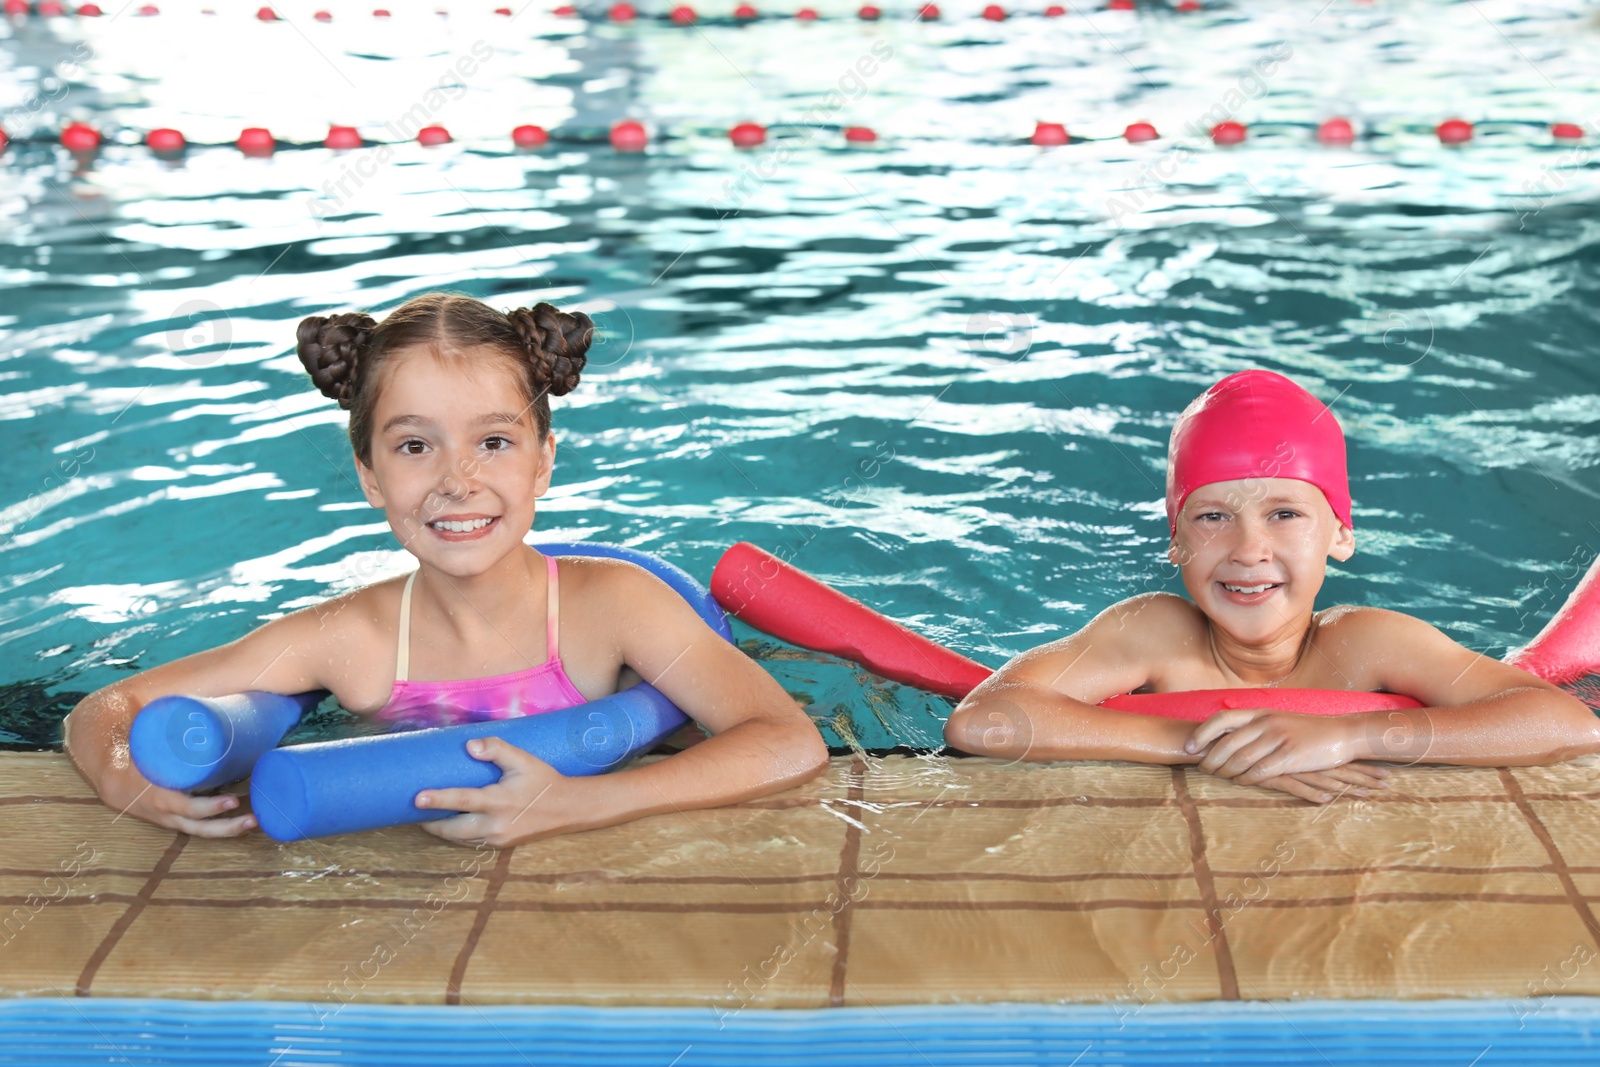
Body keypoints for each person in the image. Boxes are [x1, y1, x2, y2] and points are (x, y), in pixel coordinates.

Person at [64, 293, 827, 844]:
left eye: (494, 441)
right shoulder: (348, 638)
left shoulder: (616, 605)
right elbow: (109, 704)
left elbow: (788, 739)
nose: (456, 480)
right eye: (413, 446)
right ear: (369, 475)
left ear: (543, 462)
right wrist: (123, 777)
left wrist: (582, 804)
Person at [944, 369, 1600, 802]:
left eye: (1285, 513)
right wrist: (1201, 745)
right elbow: (984, 720)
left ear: (1340, 535)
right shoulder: (1154, 630)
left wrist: (1347, 736)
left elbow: (1565, 722)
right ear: (1175, 540)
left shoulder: (1367, 643)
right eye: (1212, 518)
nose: (1249, 549)